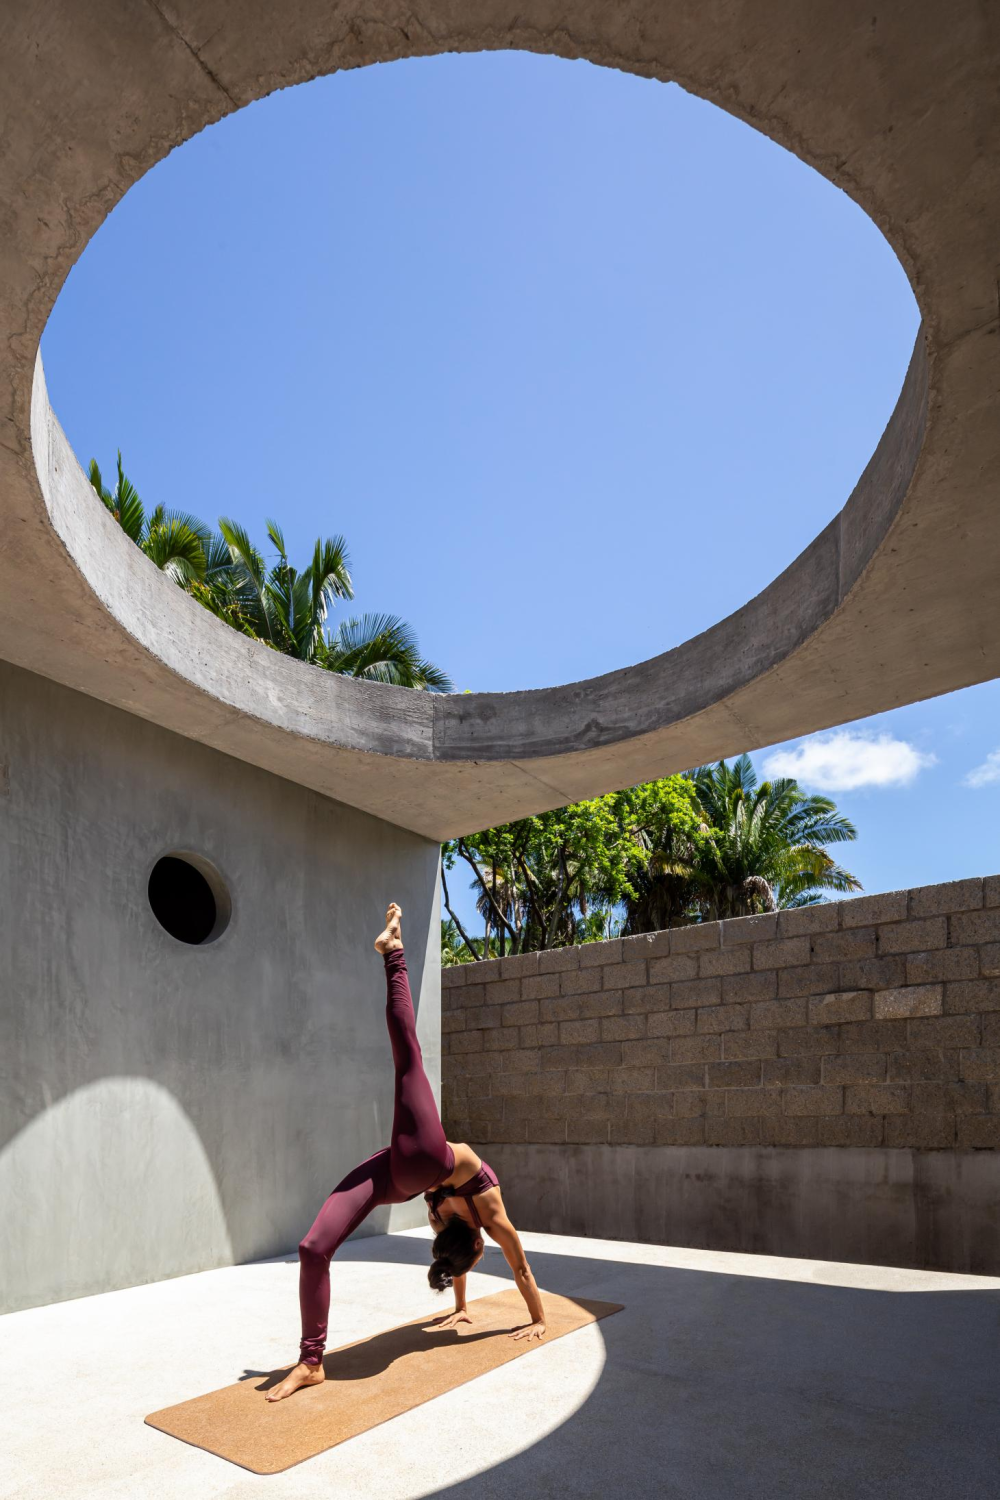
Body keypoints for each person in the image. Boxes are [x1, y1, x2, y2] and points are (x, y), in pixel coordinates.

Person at [266, 903, 546, 1401]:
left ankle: (394, 953)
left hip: (417, 1162)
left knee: (408, 1055)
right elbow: (516, 1266)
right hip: (404, 1170)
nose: (473, 1263)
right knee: (312, 1249)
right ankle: (312, 1362)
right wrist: (529, 1316)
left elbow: (485, 1258)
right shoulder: (483, 1214)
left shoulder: (468, 1224)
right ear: (474, 1244)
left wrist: (536, 1320)